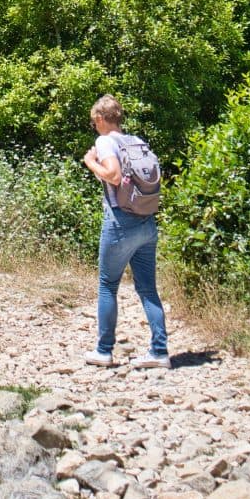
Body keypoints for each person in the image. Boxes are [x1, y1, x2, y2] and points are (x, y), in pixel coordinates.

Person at [82, 94, 170, 369]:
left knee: (108, 285)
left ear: (99, 119)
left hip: (120, 223)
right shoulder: (135, 141)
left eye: (93, 121)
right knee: (147, 288)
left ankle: (104, 351)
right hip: (147, 222)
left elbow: (114, 176)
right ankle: (159, 352)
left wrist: (90, 163)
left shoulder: (105, 141)